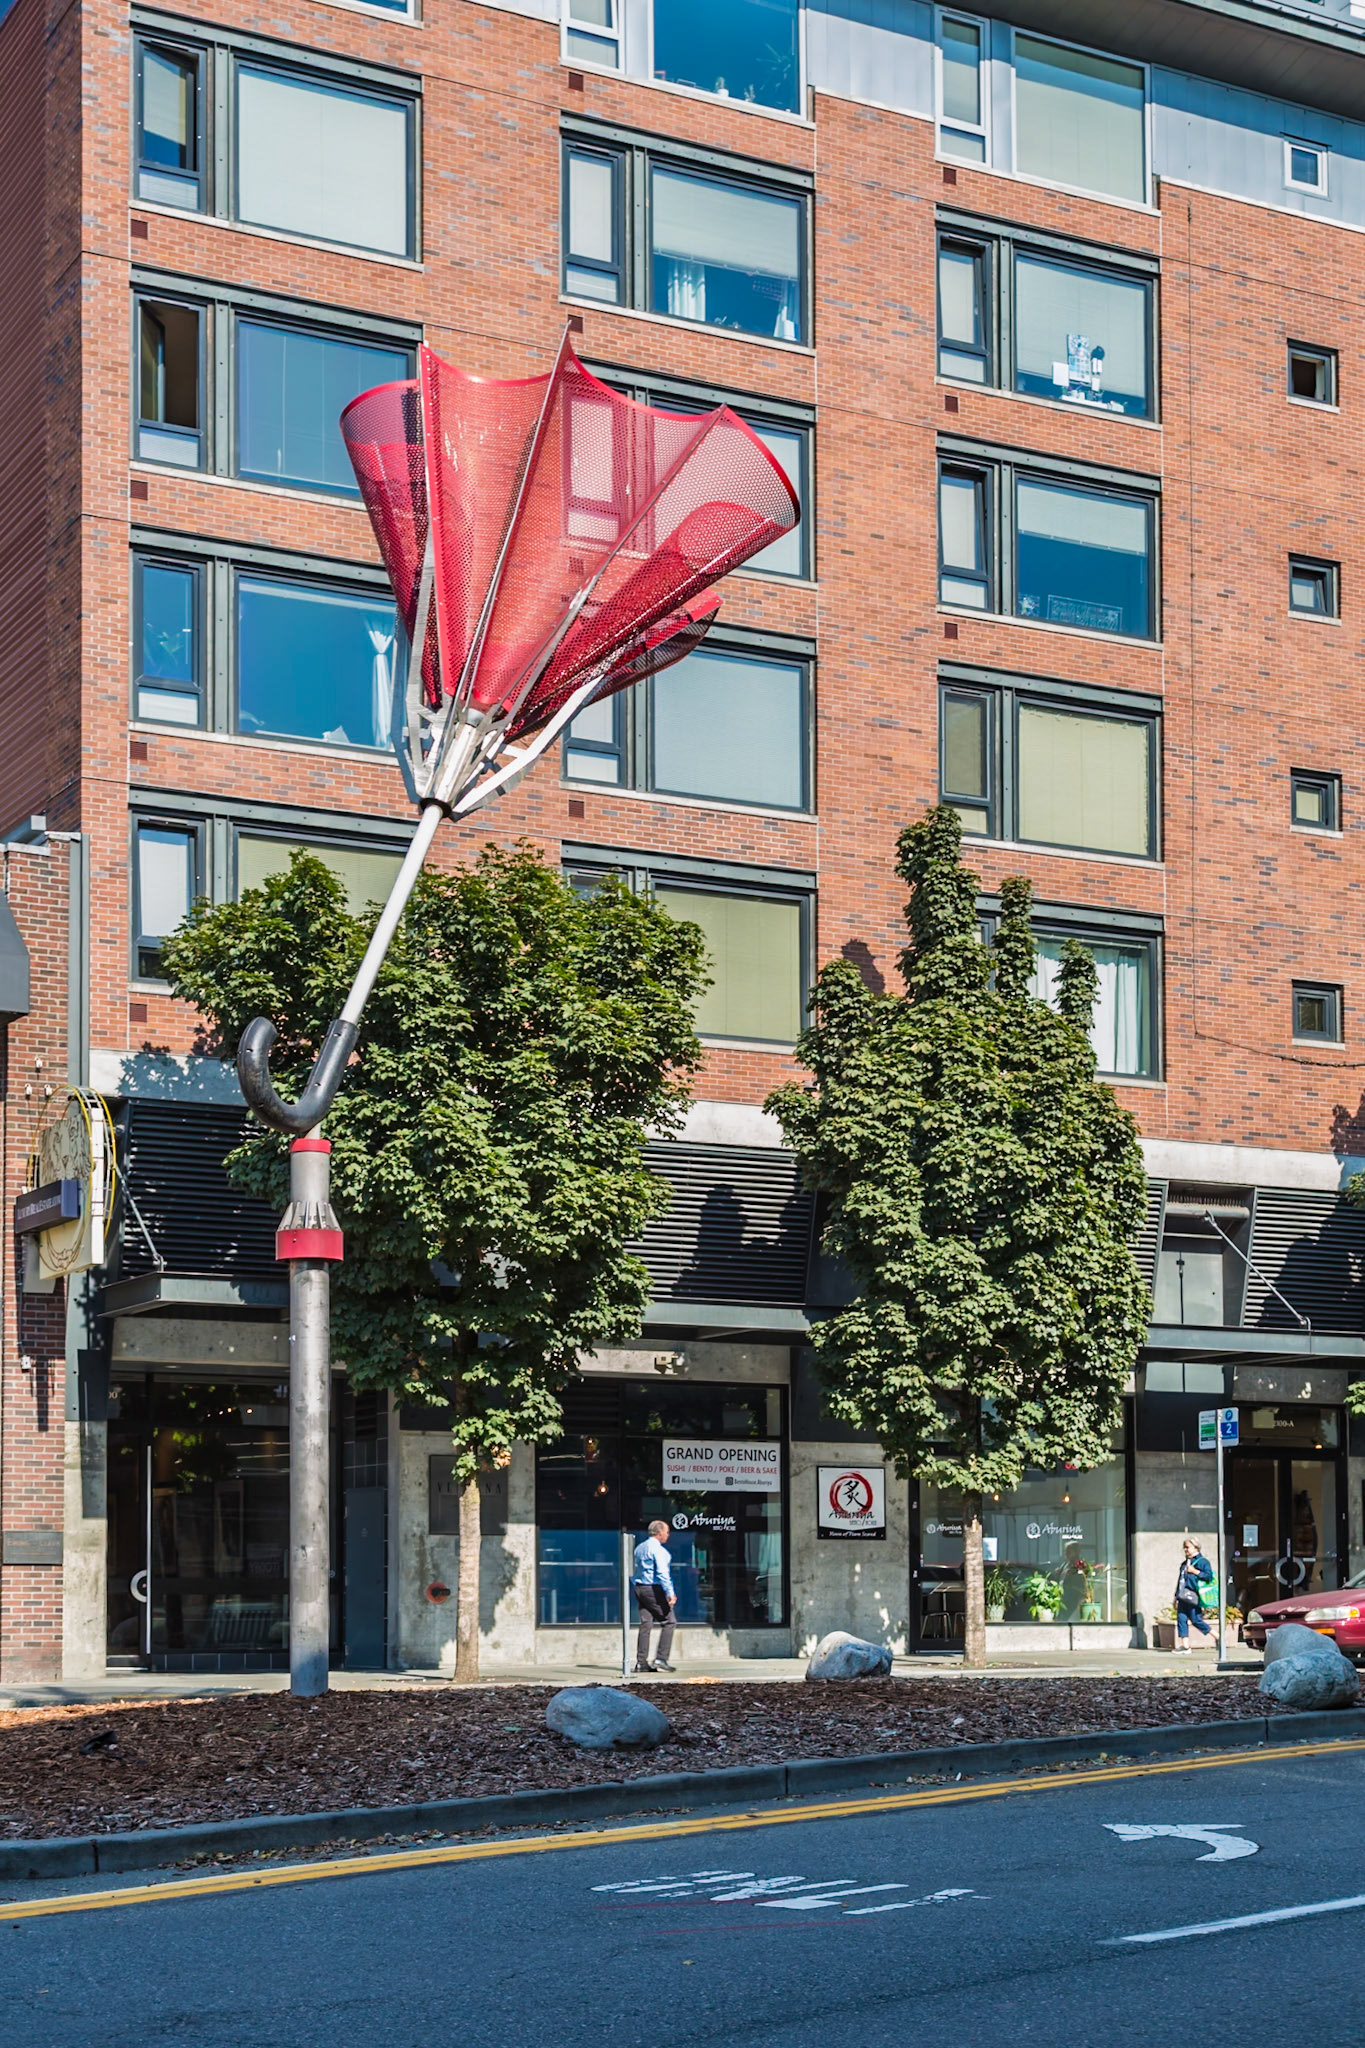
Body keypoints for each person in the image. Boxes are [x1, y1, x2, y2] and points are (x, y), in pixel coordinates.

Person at [632, 1518, 677, 1673]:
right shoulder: (656, 1549)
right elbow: (663, 1573)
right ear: (659, 1533)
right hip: (653, 1588)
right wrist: (670, 1592)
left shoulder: (639, 1548)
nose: (668, 1535)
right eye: (667, 1532)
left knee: (646, 1624)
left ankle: (641, 1662)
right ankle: (661, 1658)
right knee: (669, 1621)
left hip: (640, 1587)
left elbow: (634, 1569)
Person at [1173, 1535, 1214, 1652]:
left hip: (1194, 1595)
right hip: (1183, 1595)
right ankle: (1185, 1646)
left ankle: (1217, 1636)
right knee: (1181, 1619)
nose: (1185, 1550)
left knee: (1196, 1619)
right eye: (1184, 1548)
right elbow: (1180, 1581)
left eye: (1187, 1547)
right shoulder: (1184, 1564)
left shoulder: (1202, 1562)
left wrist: (1195, 1571)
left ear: (1196, 1547)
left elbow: (1208, 1576)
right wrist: (1175, 1597)